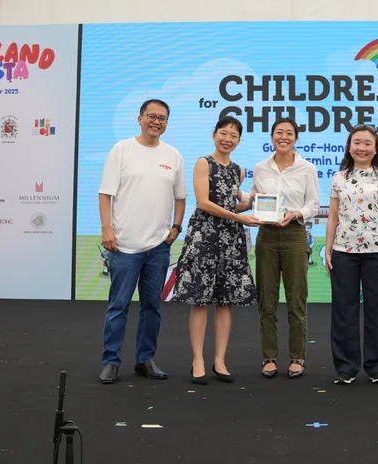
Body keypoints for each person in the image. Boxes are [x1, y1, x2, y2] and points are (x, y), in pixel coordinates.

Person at [98, 99, 186, 384]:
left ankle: (145, 360)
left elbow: (180, 197)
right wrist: (107, 230)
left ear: (167, 123)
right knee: (118, 306)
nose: (156, 122)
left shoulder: (173, 155)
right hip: (123, 245)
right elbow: (105, 194)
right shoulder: (122, 150)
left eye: (162, 118)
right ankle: (111, 361)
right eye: (151, 116)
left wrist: (175, 227)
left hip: (158, 247)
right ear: (139, 119)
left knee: (152, 308)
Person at [171, 116, 261, 385]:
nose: (228, 139)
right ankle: (197, 360)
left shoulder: (238, 170)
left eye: (233, 136)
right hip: (205, 236)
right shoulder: (203, 163)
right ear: (214, 135)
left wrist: (259, 204)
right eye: (223, 133)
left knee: (225, 300)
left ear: (239, 140)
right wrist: (239, 217)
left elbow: (236, 205)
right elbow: (204, 203)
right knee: (200, 299)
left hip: (231, 240)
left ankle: (220, 360)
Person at [324, 125, 378, 385]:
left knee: (377, 311)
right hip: (344, 252)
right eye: (357, 142)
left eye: (368, 143)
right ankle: (346, 367)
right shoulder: (339, 177)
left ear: (375, 148)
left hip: (377, 253)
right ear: (349, 146)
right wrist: (329, 250)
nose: (362, 147)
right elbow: (333, 217)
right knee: (344, 311)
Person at [251, 117, 320, 379]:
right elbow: (255, 197)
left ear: (295, 138)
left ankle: (297, 357)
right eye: (279, 132)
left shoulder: (307, 168)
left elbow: (314, 204)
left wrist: (296, 214)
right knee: (266, 300)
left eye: (289, 133)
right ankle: (269, 357)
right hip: (266, 236)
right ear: (272, 137)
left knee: (296, 300)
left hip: (294, 235)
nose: (284, 137)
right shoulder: (260, 167)